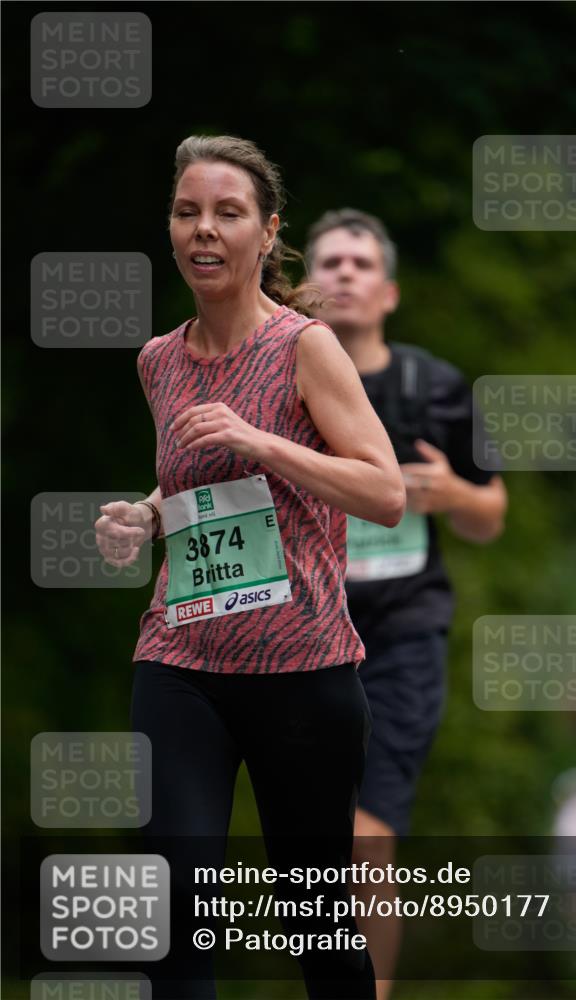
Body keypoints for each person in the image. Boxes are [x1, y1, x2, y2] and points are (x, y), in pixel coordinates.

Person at [94, 139, 407, 1000]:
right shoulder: (158, 360)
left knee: (314, 925)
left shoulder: (306, 348)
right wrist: (145, 516)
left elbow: (384, 492)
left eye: (227, 213)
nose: (204, 229)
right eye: (187, 211)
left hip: (300, 670)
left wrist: (260, 439)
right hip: (181, 661)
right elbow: (192, 484)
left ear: (266, 233)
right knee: (173, 903)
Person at [305, 209, 507, 998]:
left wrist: (453, 492)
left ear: (388, 292)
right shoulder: (278, 383)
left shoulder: (436, 388)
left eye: (360, 263)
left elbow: (490, 516)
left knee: (366, 839)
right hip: (301, 636)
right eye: (329, 261)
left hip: (401, 637)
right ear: (304, 287)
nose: (344, 273)